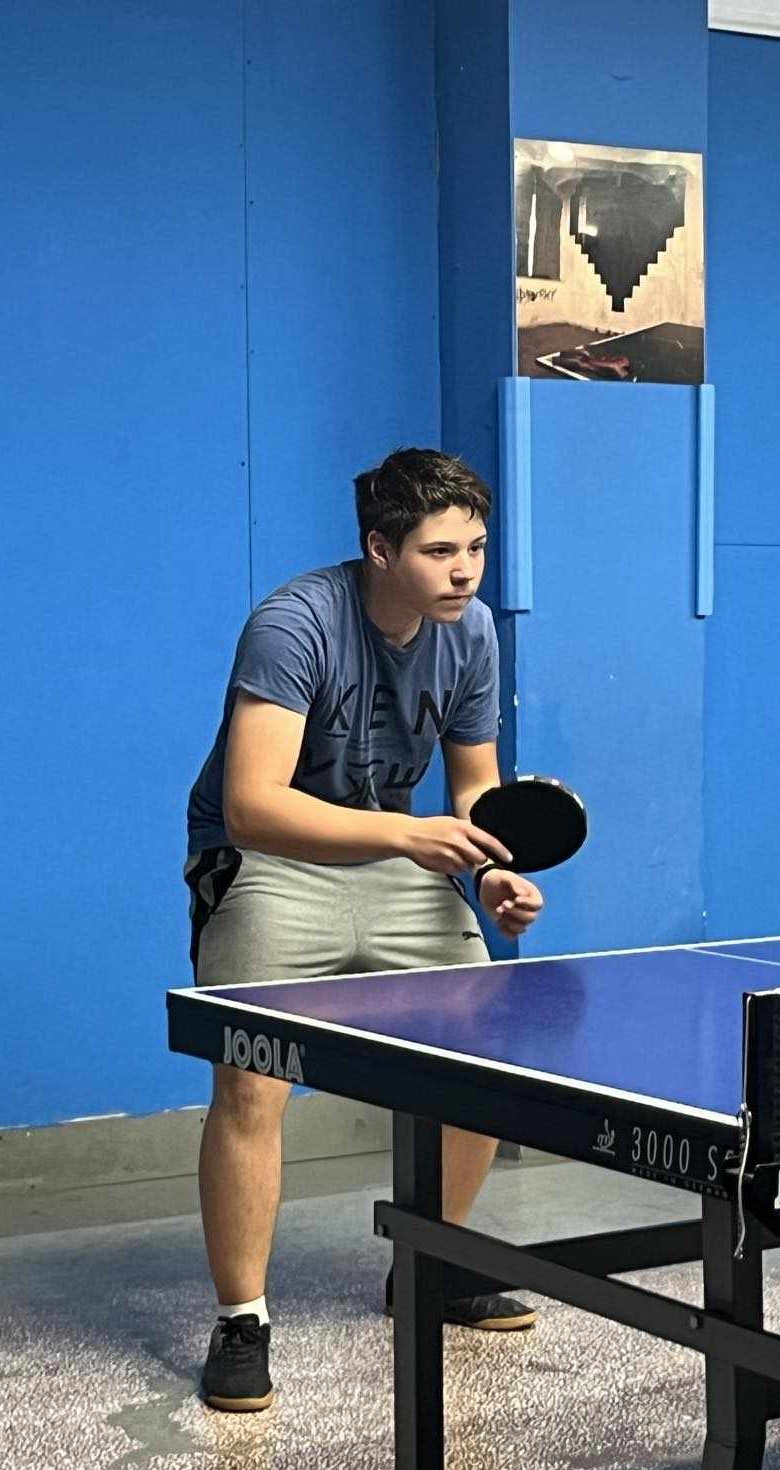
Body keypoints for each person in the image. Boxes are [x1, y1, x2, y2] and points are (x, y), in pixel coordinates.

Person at [181, 447, 546, 1412]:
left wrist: (492, 870)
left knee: (487, 1059)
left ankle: (430, 1266)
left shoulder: (470, 634)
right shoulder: (294, 624)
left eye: (475, 548)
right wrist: (408, 834)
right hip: (269, 861)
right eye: (439, 552)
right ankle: (242, 1319)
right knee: (252, 1078)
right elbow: (253, 804)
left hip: (395, 857)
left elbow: (474, 788)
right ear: (380, 550)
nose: (464, 572)